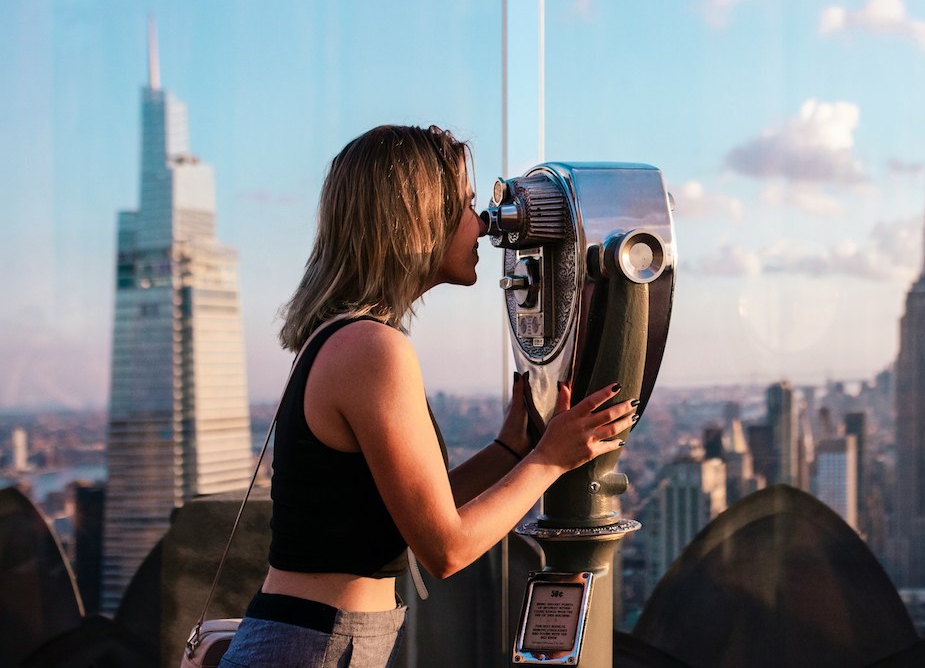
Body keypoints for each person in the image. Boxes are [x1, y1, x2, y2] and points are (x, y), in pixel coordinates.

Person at [218, 125, 636, 667]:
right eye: (464, 205)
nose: (484, 224)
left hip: (313, 638)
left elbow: (405, 518)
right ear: (417, 219)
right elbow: (445, 549)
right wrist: (551, 459)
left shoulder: (346, 337)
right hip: (316, 646)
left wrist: (509, 451)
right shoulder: (373, 350)